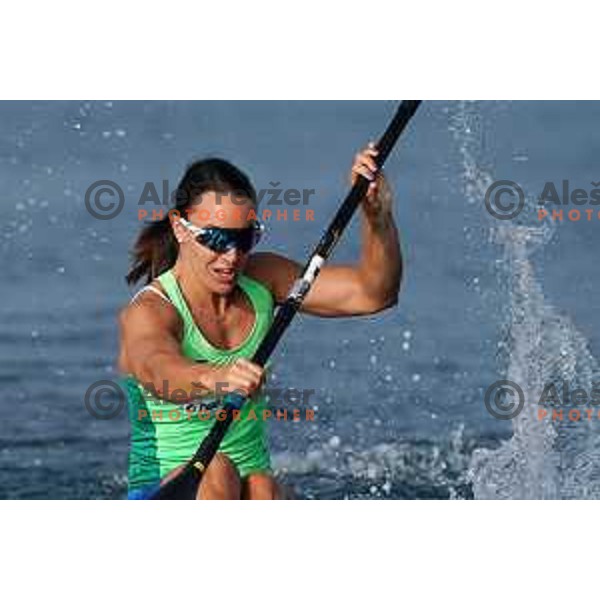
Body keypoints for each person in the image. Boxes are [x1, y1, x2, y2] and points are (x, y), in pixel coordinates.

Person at [118, 143, 402, 499]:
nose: (232, 256)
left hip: (250, 490)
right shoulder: (152, 310)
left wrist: (376, 217)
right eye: (217, 239)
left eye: (245, 238)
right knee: (218, 468)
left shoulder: (263, 278)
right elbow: (156, 368)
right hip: (165, 492)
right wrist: (214, 376)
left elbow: (374, 293)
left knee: (263, 485)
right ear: (179, 228)